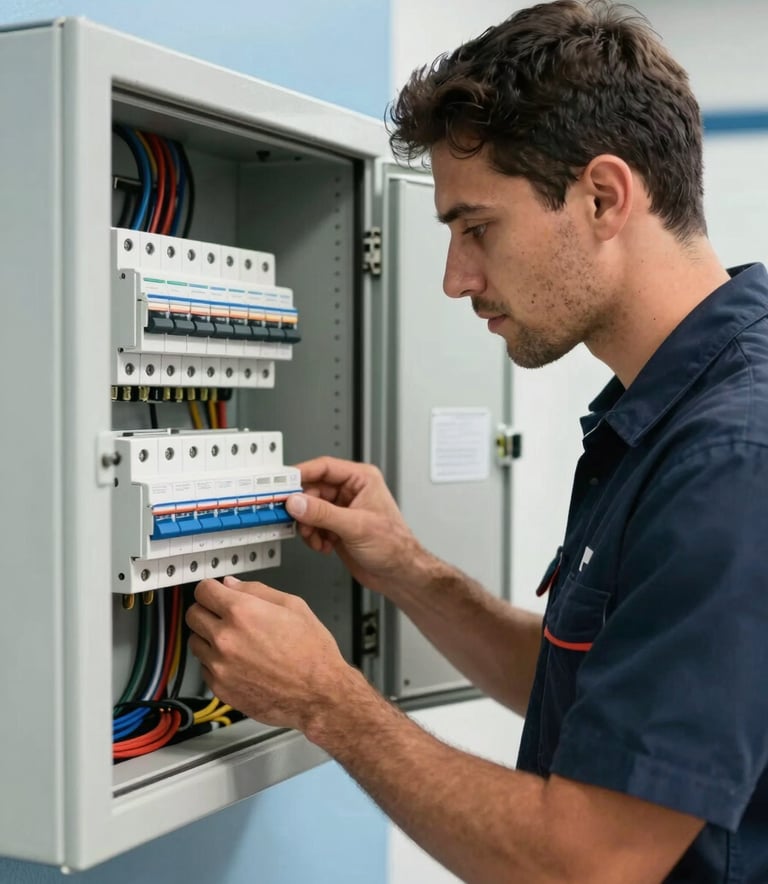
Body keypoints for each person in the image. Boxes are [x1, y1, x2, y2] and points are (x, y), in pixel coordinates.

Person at [186, 1, 768, 880]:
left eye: (476, 228)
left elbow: (590, 865)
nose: (457, 279)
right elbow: (587, 685)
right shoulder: (670, 413)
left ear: (603, 196)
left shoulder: (731, 458)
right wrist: (409, 572)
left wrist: (327, 700)